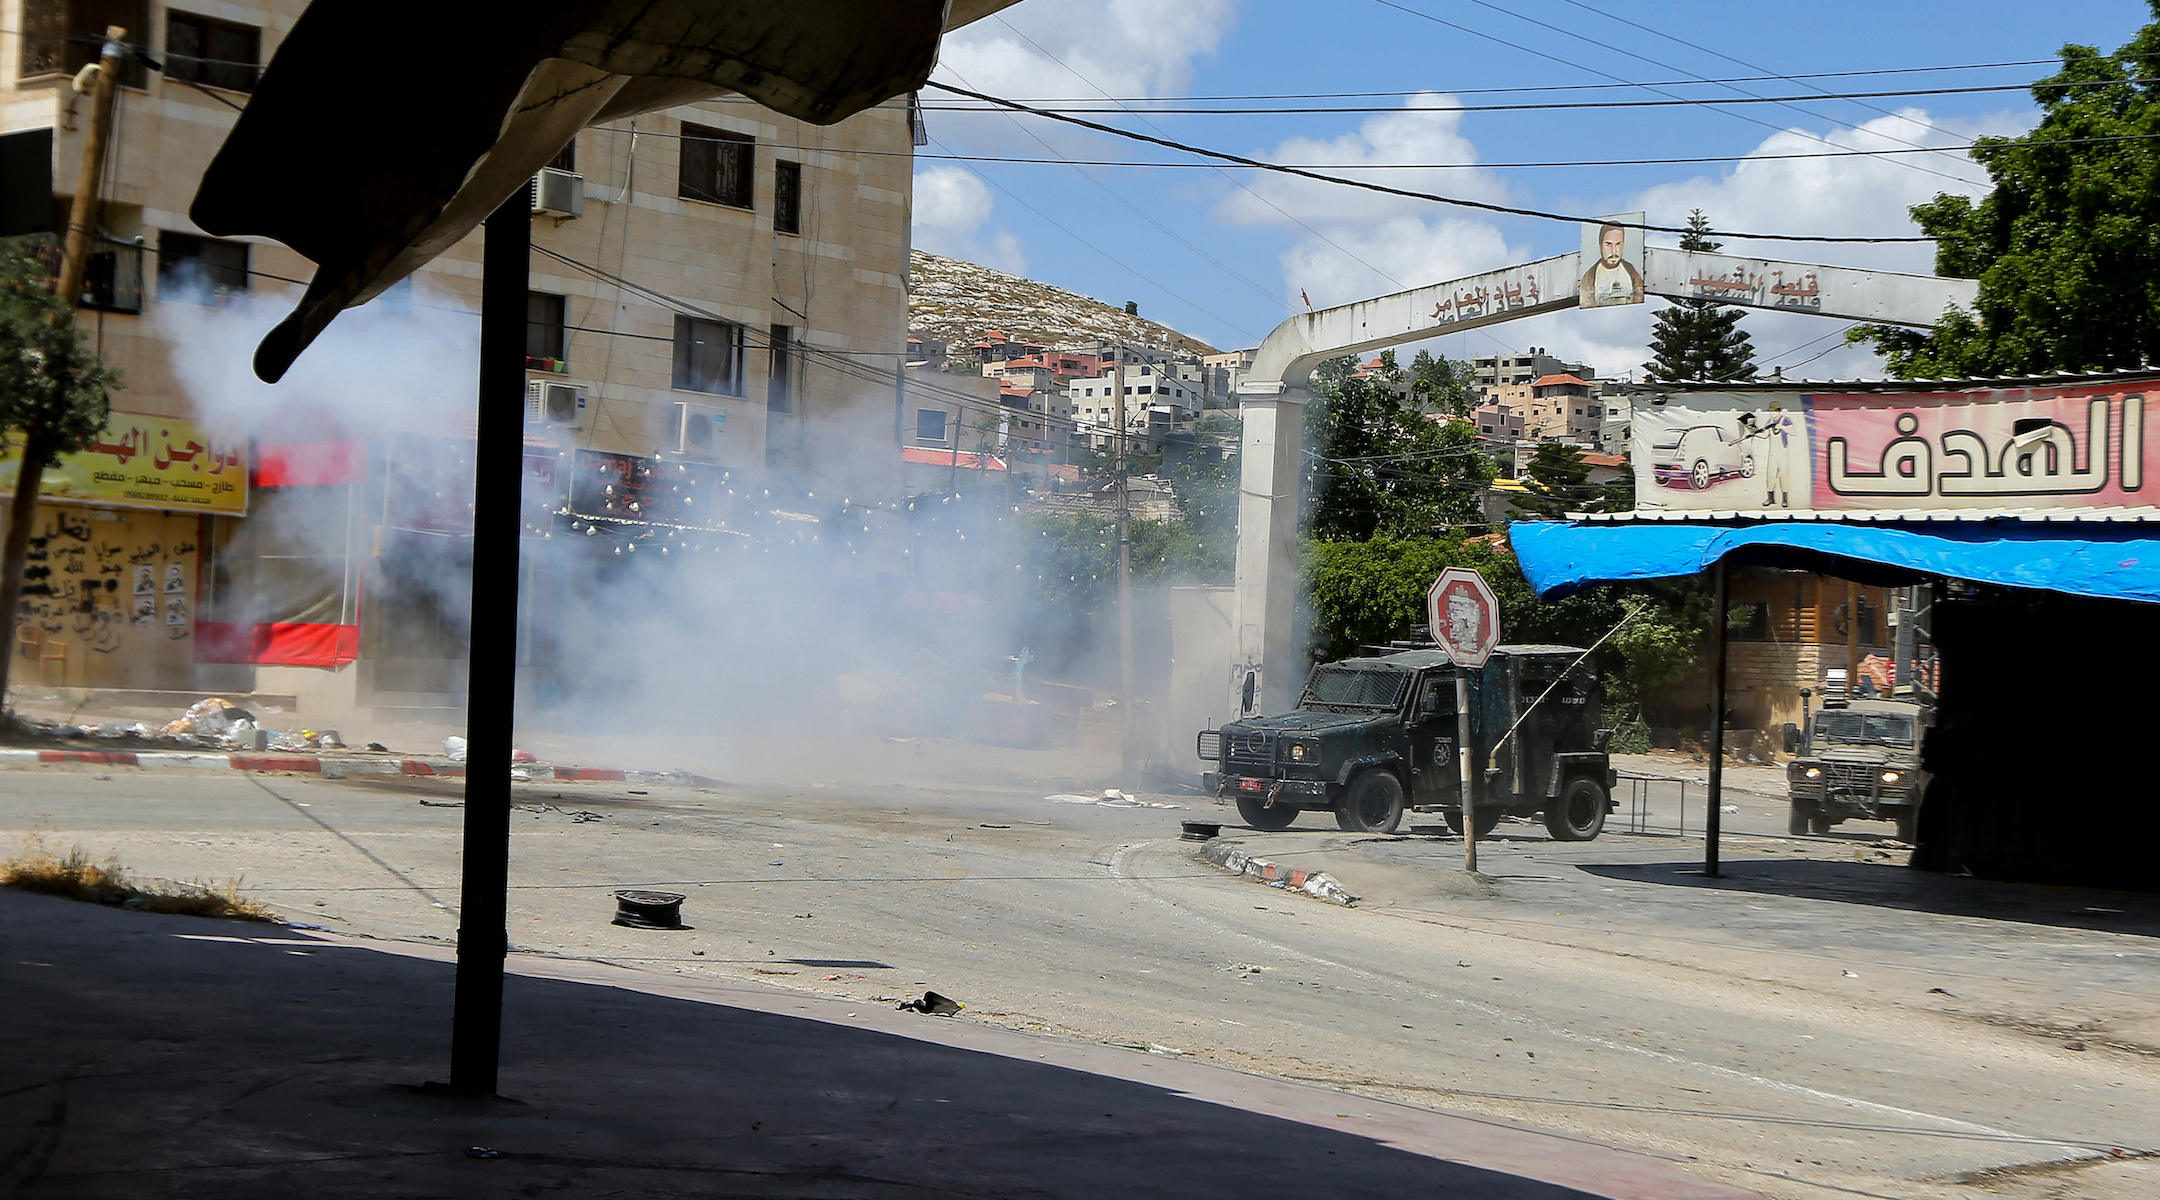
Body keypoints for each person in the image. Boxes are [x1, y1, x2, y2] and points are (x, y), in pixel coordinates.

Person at [1578, 221, 1643, 307]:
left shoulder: (1632, 273)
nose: (1614, 251)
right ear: (1600, 245)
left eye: (1618, 244)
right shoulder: (1589, 278)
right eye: (1608, 244)